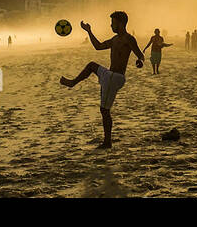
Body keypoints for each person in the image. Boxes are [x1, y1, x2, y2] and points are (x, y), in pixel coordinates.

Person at [59, 11, 144, 149]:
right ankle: (72, 82)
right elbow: (98, 46)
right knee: (92, 66)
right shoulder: (114, 40)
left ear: (121, 24)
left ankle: (107, 142)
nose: (111, 26)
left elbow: (140, 55)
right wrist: (89, 31)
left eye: (113, 23)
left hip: (116, 77)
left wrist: (140, 61)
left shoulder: (128, 39)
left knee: (104, 110)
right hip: (110, 75)